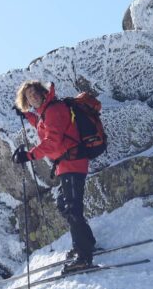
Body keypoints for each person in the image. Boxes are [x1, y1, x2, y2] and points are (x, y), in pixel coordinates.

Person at [11, 80, 97, 274]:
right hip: (66, 165)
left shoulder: (55, 109)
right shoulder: (45, 112)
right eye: (28, 97)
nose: (32, 98)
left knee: (72, 208)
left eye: (34, 93)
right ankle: (86, 242)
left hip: (73, 163)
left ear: (42, 93)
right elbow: (42, 124)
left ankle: (84, 257)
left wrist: (29, 155)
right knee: (65, 205)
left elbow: (53, 141)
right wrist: (26, 115)